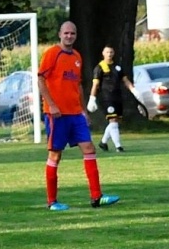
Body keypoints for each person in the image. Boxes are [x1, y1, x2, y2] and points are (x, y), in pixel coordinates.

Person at [37, 21, 118, 212]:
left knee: (89, 148)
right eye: (66, 33)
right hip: (56, 115)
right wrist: (52, 104)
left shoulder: (77, 56)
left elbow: (78, 85)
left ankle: (96, 197)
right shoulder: (51, 54)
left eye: (72, 33)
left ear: (76, 35)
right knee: (55, 155)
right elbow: (40, 79)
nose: (69, 36)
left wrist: (83, 110)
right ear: (60, 34)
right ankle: (52, 201)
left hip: (75, 113)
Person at [86, 45, 138, 152]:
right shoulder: (99, 67)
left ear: (113, 54)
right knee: (113, 121)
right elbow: (95, 85)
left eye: (111, 52)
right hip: (106, 97)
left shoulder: (117, 67)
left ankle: (103, 142)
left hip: (117, 97)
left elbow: (125, 80)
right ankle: (118, 146)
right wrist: (92, 98)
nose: (109, 54)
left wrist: (134, 90)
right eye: (107, 52)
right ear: (103, 53)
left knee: (115, 121)